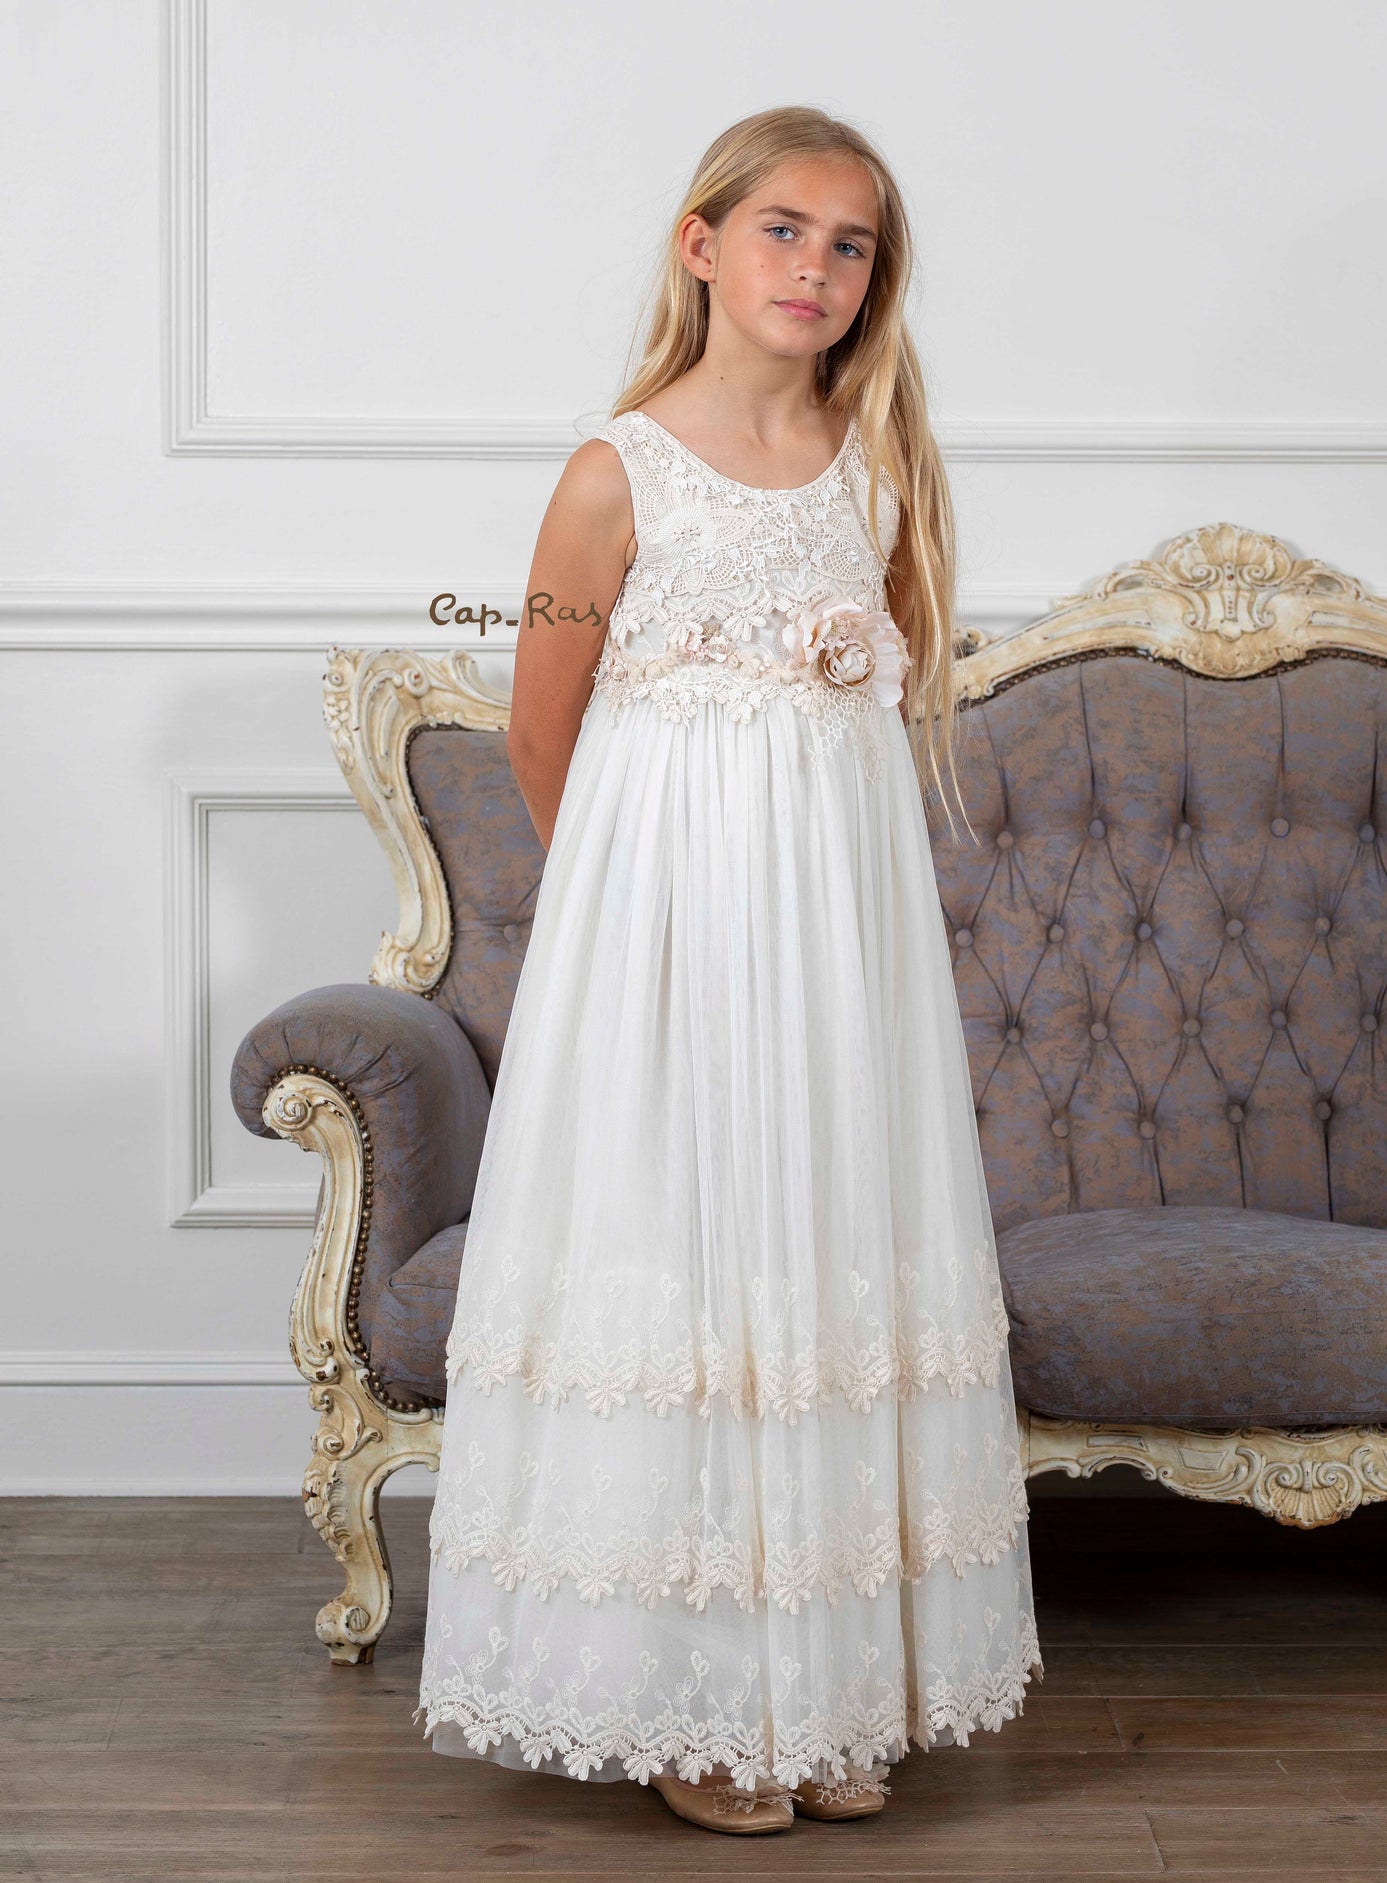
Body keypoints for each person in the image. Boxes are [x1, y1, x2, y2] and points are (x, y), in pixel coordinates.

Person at [415, 103, 1041, 1835]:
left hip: (837, 951)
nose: (813, 268)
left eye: (849, 245)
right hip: (668, 942)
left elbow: (876, 728)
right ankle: (685, 1697)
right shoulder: (614, 474)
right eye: (782, 230)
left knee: (824, 1258)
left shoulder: (880, 466)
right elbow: (542, 734)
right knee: (689, 1263)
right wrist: (639, 926)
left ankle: (826, 1684)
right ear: (700, 245)